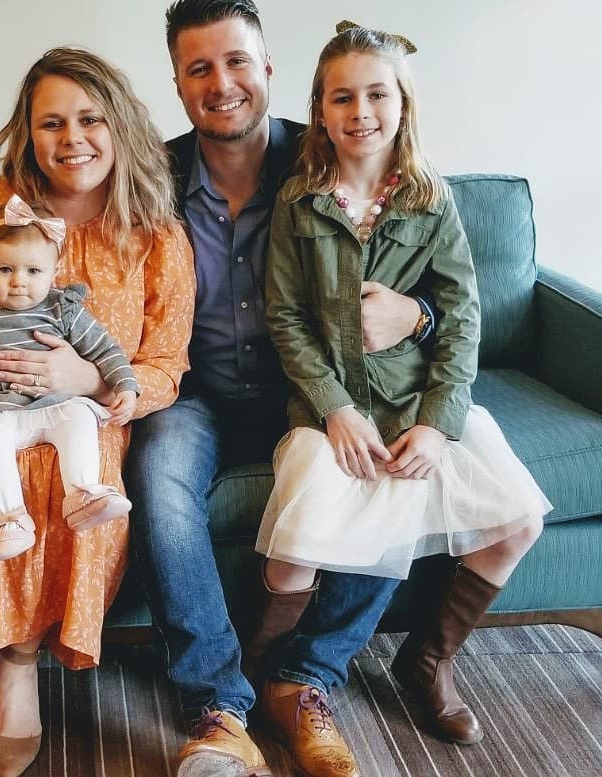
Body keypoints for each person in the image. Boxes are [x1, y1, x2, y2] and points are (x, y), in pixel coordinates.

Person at [125, 3, 433, 776]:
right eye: (199, 68)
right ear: (178, 82)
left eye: (236, 62)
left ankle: (307, 676)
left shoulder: (333, 156)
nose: (220, 83)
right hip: (191, 393)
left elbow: (436, 268)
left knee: (388, 465)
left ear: (266, 70)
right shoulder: (149, 179)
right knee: (157, 481)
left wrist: (419, 313)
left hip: (314, 391)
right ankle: (217, 703)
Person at [252, 20, 548, 757]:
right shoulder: (299, 201)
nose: (360, 112)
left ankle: (428, 660)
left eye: (376, 94)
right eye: (341, 97)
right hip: (333, 409)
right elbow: (286, 322)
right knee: (293, 550)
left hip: (419, 403)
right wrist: (336, 410)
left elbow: (462, 317)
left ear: (402, 102)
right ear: (318, 109)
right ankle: (262, 674)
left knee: (517, 521)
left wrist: (441, 422)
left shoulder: (428, 197)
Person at [0, 48, 195, 777]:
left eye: (89, 118)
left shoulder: (156, 235)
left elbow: (166, 361)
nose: (72, 137)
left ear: (121, 124)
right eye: (51, 123)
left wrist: (95, 382)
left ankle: (18, 664)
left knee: (82, 473)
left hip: (88, 413)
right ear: (27, 133)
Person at [0, 193, 137, 562]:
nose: (19, 282)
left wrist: (125, 385)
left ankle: (84, 493)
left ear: (54, 269)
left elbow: (105, 349)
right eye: (5, 270)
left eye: (33, 271)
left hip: (55, 405)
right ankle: (10, 518)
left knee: (81, 417)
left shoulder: (62, 309)